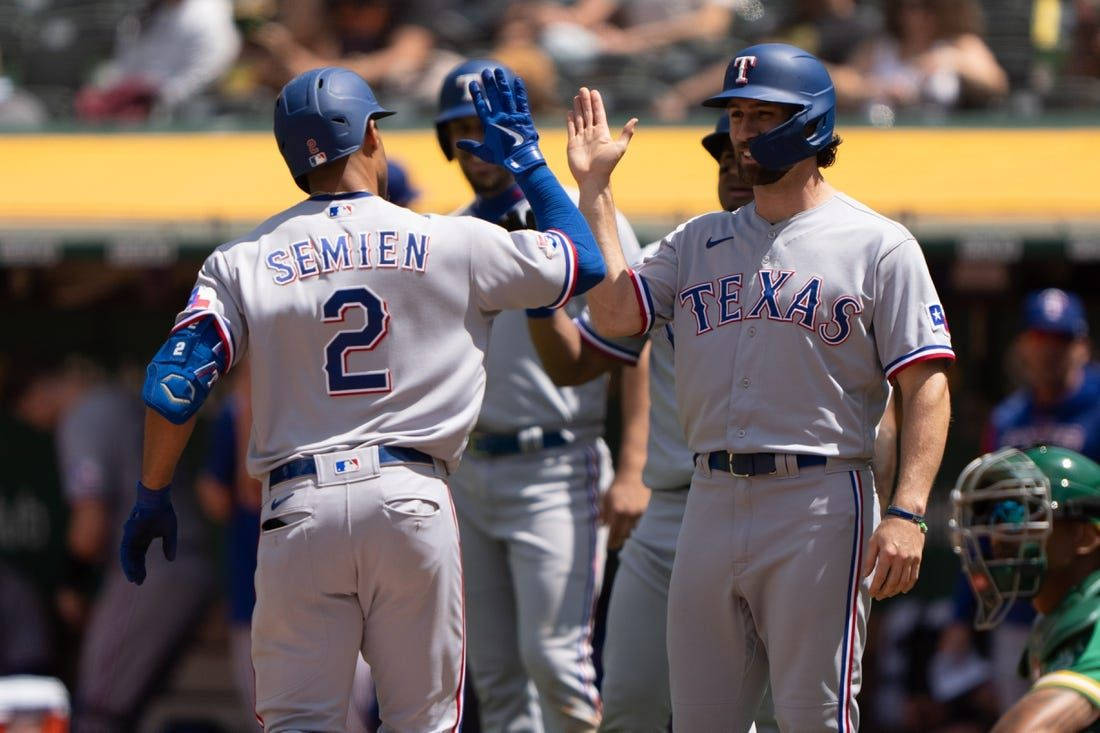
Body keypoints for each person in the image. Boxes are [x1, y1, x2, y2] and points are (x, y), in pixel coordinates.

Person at [118, 64, 607, 730]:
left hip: (298, 507)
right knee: (423, 722)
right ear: (371, 134)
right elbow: (584, 259)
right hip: (412, 498)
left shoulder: (242, 258)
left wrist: (152, 492)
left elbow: (174, 385)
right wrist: (527, 160)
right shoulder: (448, 239)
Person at [570, 42, 954, 730]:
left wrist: (909, 510)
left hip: (819, 495)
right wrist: (595, 194)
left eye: (760, 114)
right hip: (709, 496)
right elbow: (619, 314)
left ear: (811, 123)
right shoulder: (697, 239)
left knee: (812, 717)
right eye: (737, 115)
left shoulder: (879, 243)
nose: (743, 131)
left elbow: (926, 384)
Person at [434, 57, 646, 732]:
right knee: (493, 674)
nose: (477, 141)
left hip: (558, 461)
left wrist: (635, 464)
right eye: (462, 127)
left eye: (488, 124)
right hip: (471, 465)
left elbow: (631, 342)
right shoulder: (452, 229)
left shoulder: (580, 218)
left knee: (555, 659)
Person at [941, 286, 1100, 712]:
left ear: (1082, 346)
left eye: (1061, 340)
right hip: (1017, 601)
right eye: (1038, 338)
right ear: (1021, 346)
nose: (1048, 352)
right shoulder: (1007, 418)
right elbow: (984, 519)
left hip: (1087, 599)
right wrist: (962, 612)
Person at [951, 444, 1100, 732]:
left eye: (1019, 514)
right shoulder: (1060, 616)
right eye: (996, 516)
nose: (998, 535)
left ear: (1084, 537)